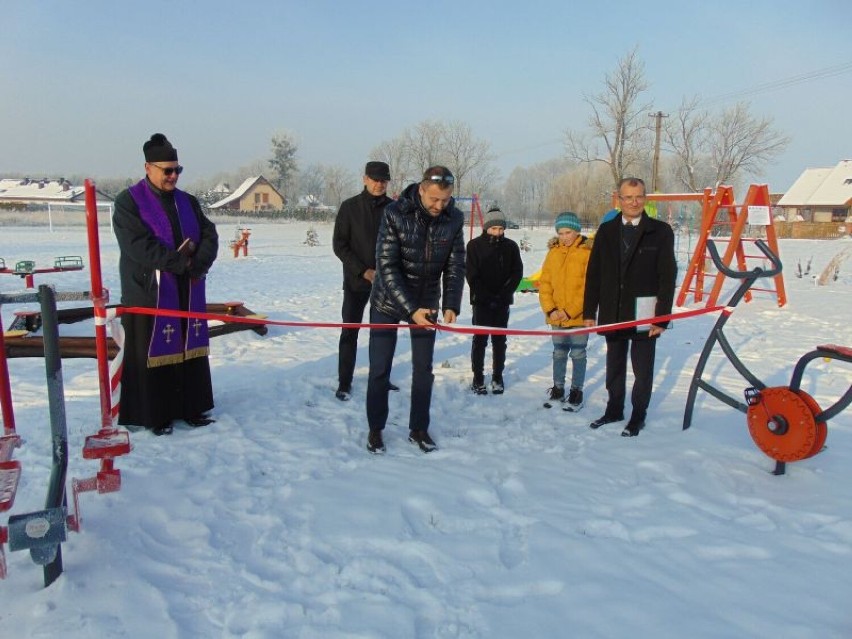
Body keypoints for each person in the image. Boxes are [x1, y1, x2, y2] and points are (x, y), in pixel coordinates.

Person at [113, 133, 219, 436]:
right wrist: (181, 263)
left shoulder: (187, 201)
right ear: (148, 168)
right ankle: (156, 414)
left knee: (190, 351)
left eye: (177, 170)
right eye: (167, 171)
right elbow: (138, 246)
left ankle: (192, 407)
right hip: (149, 293)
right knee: (152, 357)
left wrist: (200, 262)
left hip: (186, 290)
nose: (173, 176)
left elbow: (209, 234)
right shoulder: (128, 202)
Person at [365, 166, 466, 454]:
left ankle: (418, 428)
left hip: (427, 301)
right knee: (379, 368)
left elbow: (456, 263)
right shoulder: (394, 213)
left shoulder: (454, 218)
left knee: (423, 369)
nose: (439, 206)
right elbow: (386, 266)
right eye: (434, 199)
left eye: (445, 200)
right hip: (388, 301)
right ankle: (375, 429)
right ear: (421, 189)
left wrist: (451, 303)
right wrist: (410, 309)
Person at [583, 177, 677, 437]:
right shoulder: (607, 230)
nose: (634, 202)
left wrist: (662, 317)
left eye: (639, 197)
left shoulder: (660, 231)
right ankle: (614, 409)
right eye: (628, 197)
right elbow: (594, 273)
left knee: (642, 368)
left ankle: (638, 415)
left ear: (644, 198)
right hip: (613, 310)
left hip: (645, 311)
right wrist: (590, 311)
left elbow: (667, 276)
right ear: (619, 199)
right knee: (614, 365)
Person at [331, 161, 398, 401]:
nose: (379, 184)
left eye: (383, 180)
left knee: (382, 333)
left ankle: (380, 377)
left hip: (385, 284)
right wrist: (362, 271)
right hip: (356, 281)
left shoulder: (394, 209)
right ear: (365, 179)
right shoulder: (349, 208)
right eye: (375, 179)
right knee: (350, 331)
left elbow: (399, 244)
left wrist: (387, 272)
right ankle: (344, 381)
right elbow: (340, 245)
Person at [465, 205, 523, 395]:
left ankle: (498, 376)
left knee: (499, 341)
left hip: (502, 301)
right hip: (481, 302)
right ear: (486, 227)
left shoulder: (511, 247)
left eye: (500, 228)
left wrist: (503, 295)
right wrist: (486, 296)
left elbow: (517, 273)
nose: (497, 232)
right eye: (494, 228)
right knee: (480, 340)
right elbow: (472, 275)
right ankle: (478, 378)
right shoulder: (474, 246)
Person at [538, 212, 592, 411]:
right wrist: (550, 309)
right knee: (559, 352)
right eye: (560, 233)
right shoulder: (553, 253)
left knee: (578, 353)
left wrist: (570, 311)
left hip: (577, 316)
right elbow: (545, 283)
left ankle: (576, 390)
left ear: (576, 231)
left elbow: (589, 288)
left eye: (568, 232)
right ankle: (558, 388)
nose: (564, 237)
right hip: (556, 316)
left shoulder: (586, 253)